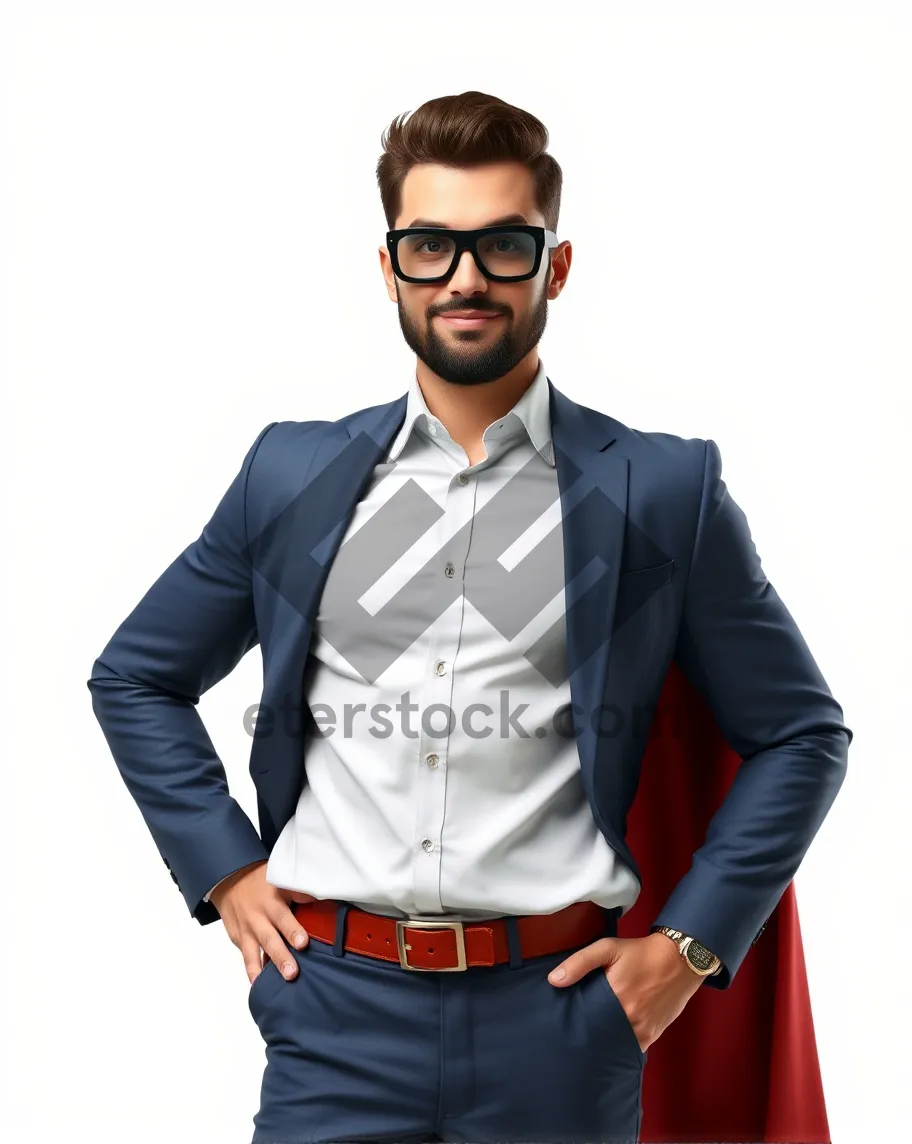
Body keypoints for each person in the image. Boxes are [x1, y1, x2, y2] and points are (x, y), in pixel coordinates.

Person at [87, 90, 851, 1144]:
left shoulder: (662, 489)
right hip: (334, 1013)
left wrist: (689, 949)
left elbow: (801, 734)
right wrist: (222, 862)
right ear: (389, 263)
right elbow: (137, 675)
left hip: (561, 1017)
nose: (465, 276)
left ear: (556, 265)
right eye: (432, 245)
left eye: (502, 244)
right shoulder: (293, 475)